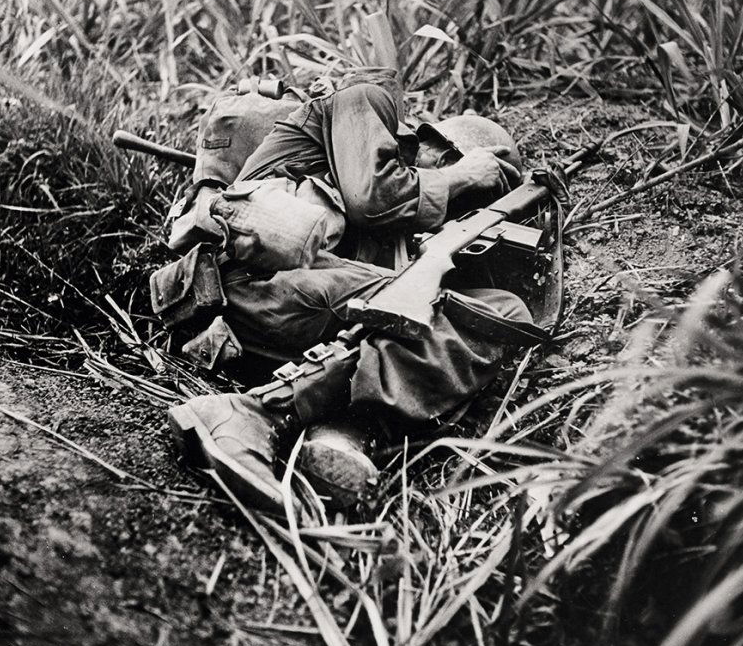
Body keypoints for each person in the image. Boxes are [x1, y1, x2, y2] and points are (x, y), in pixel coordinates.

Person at [167, 76, 540, 514]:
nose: (466, 201)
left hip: (281, 326)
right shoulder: (365, 98)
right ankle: (253, 413)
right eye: (485, 183)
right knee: (481, 315)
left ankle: (338, 433)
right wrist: (462, 176)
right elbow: (371, 198)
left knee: (495, 314)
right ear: (440, 144)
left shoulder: (400, 237)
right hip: (249, 281)